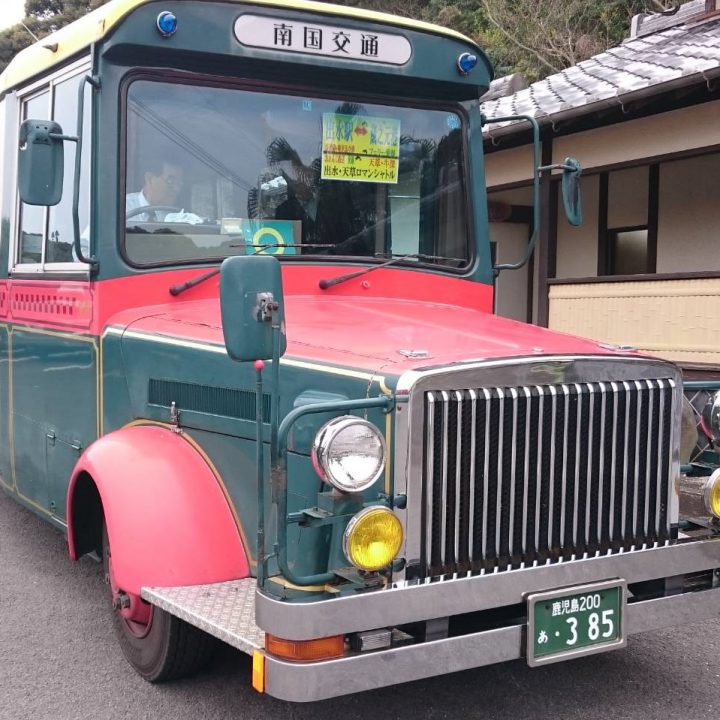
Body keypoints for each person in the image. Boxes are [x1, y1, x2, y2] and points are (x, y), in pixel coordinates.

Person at [126, 159, 203, 224]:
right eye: (170, 181)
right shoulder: (122, 207)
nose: (176, 189)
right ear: (149, 178)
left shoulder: (177, 217)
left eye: (179, 183)